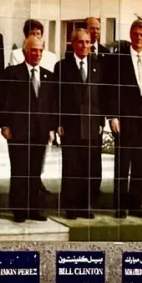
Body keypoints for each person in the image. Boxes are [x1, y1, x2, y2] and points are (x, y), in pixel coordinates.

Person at [106, 19, 142, 218]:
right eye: (135, 34)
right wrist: (112, 116)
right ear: (130, 35)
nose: (138, 38)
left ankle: (136, 205)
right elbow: (111, 90)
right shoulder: (118, 58)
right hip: (124, 121)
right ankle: (120, 206)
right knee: (122, 166)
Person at [0, 36, 57, 222]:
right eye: (34, 50)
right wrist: (5, 125)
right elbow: (5, 100)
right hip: (18, 130)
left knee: (35, 172)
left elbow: (51, 104)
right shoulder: (12, 73)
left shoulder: (48, 75)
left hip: (40, 131)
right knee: (19, 170)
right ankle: (18, 209)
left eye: (40, 50)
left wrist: (51, 128)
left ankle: (34, 208)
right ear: (25, 52)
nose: (38, 54)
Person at [56, 28, 105, 219]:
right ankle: (70, 207)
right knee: (72, 167)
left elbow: (102, 95)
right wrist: (59, 122)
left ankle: (86, 206)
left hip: (93, 124)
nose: (84, 46)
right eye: (80, 42)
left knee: (91, 167)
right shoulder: (62, 66)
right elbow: (57, 96)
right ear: (73, 44)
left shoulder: (98, 66)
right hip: (71, 124)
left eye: (87, 42)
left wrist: (102, 120)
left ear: (91, 44)